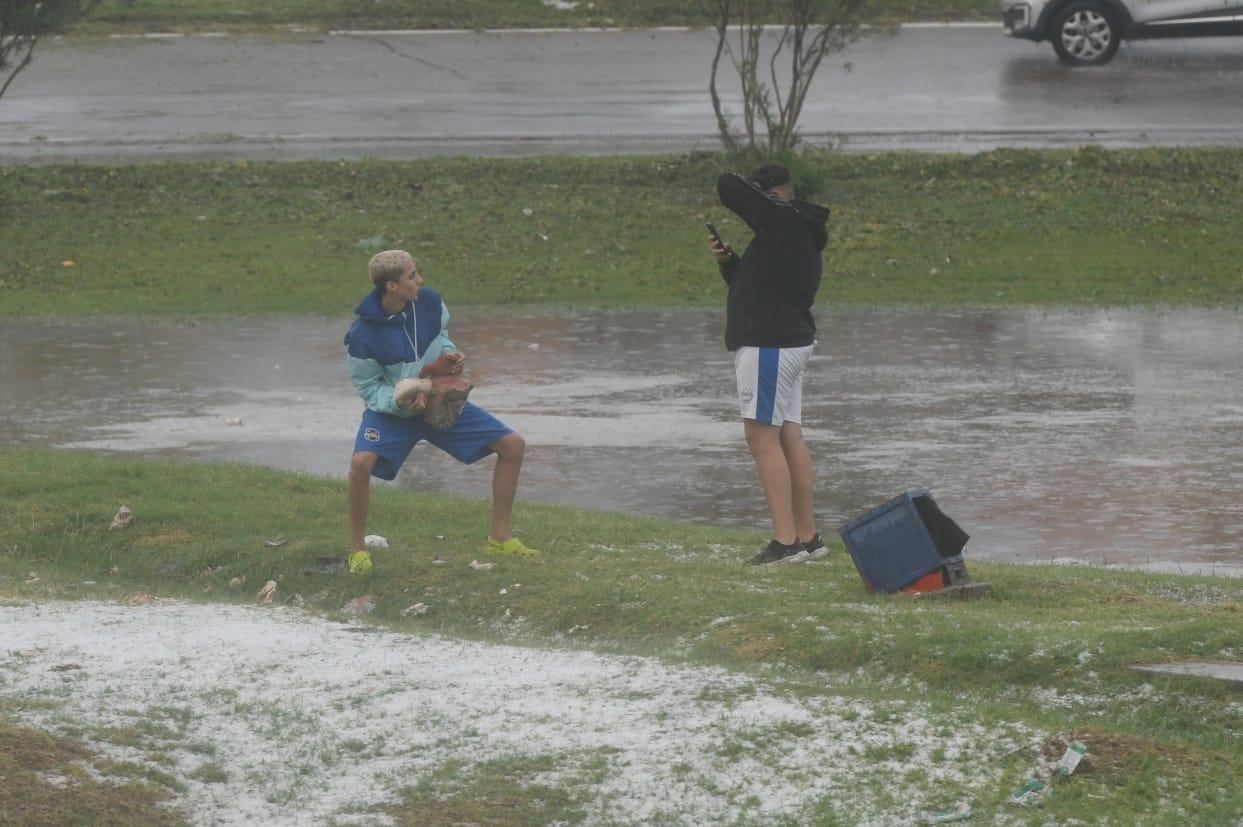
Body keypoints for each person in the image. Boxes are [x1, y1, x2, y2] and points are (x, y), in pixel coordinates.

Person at [343, 249, 540, 573]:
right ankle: (358, 551)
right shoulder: (361, 335)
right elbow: (368, 388)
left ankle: (501, 538)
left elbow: (442, 338)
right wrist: (400, 400)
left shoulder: (430, 302)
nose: (420, 281)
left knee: (513, 445)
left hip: (438, 402)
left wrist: (450, 356)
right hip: (392, 415)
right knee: (360, 464)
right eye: (412, 276)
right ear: (392, 286)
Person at [711, 163, 830, 565]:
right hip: (788, 342)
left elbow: (727, 185)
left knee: (762, 439)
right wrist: (731, 264)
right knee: (788, 437)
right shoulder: (795, 232)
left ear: (774, 197)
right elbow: (762, 287)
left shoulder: (783, 220)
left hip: (769, 345)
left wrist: (754, 189)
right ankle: (808, 538)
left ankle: (785, 543)